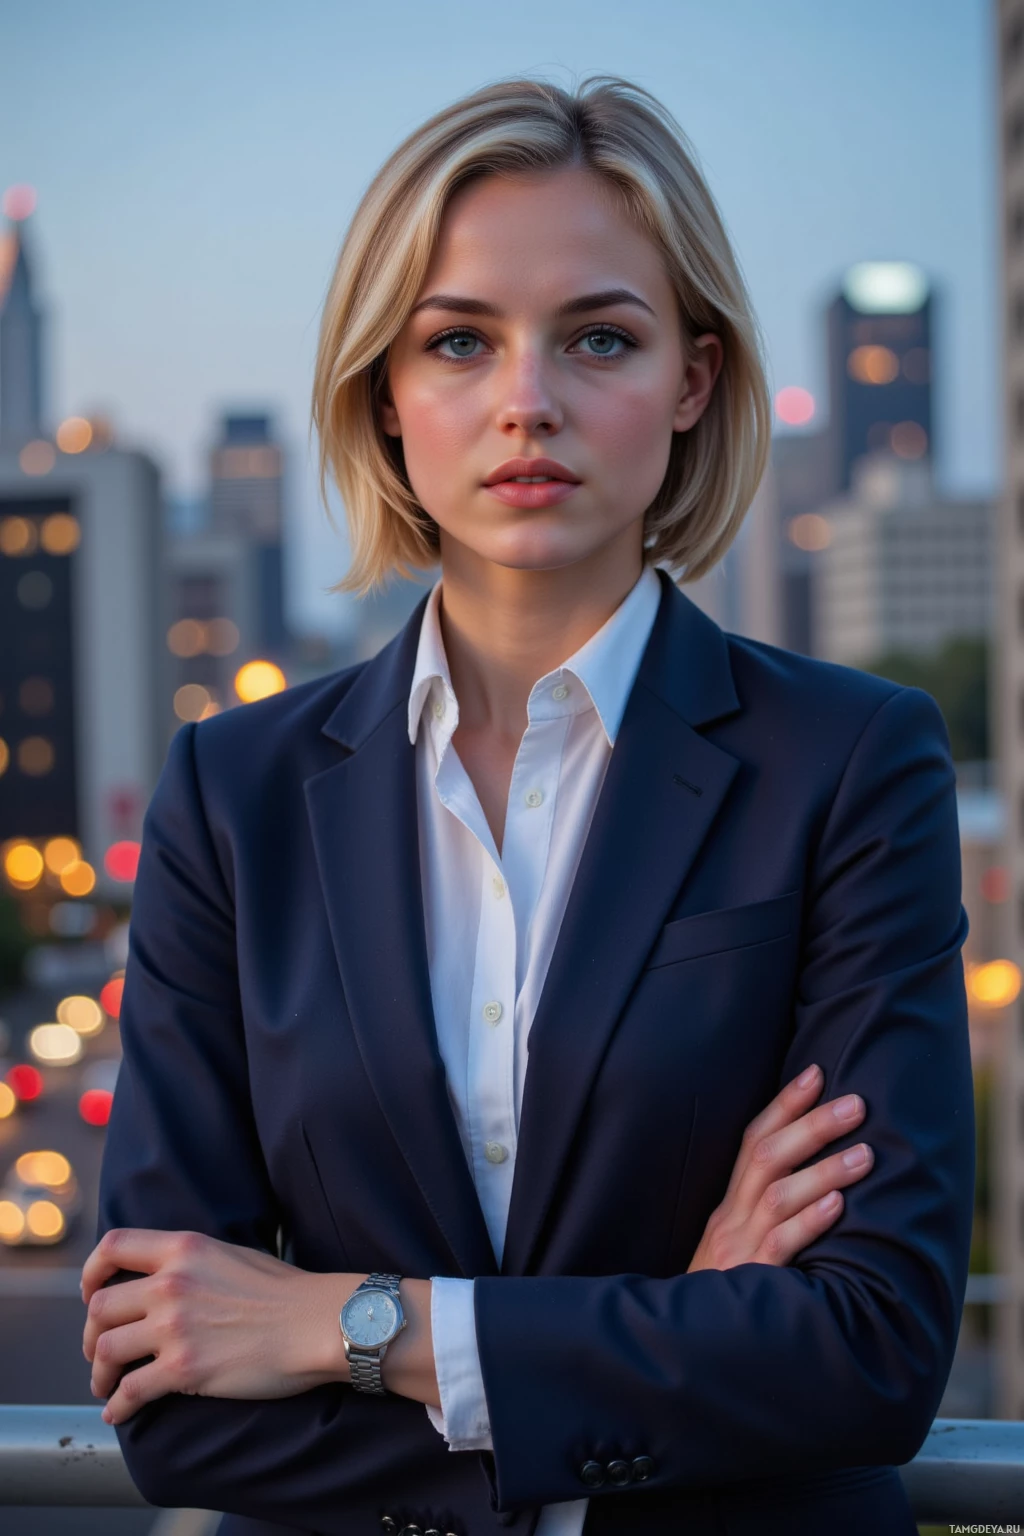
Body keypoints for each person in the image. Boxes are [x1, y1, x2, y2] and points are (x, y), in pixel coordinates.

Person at [81, 75, 974, 1536]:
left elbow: (869, 1353)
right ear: (384, 392)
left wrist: (347, 1327)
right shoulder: (234, 793)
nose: (528, 402)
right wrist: (679, 1334)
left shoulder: (853, 761)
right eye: (458, 341)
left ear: (693, 380)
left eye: (600, 337)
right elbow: (168, 1397)